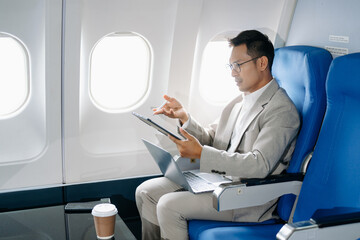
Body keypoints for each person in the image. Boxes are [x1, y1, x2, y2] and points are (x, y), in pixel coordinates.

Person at [135, 29, 300, 240]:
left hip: (246, 196)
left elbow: (260, 165)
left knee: (168, 205)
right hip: (218, 181)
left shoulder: (281, 110)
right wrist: (185, 118)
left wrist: (202, 155)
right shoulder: (239, 101)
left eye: (238, 65)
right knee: (145, 192)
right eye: (231, 66)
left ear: (262, 63)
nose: (232, 73)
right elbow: (214, 139)